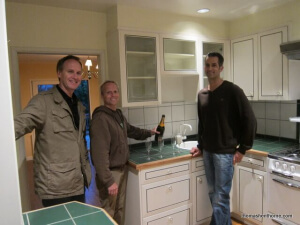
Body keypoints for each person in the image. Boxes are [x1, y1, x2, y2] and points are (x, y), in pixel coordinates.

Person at [14, 55, 92, 207]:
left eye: (78, 73)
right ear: (59, 73)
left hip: (78, 181)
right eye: (70, 72)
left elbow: (80, 142)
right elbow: (18, 125)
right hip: (55, 186)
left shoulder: (79, 106)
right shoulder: (43, 102)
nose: (75, 77)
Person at [190, 52, 256, 225]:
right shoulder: (202, 94)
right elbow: (202, 124)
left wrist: (242, 149)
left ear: (221, 68)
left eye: (214, 65)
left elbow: (250, 119)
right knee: (213, 194)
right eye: (207, 65)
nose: (210, 68)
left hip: (225, 154)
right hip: (208, 152)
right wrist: (201, 146)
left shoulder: (232, 91)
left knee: (221, 197)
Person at [90, 80, 157, 225]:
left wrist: (149, 132)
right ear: (102, 95)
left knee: (119, 209)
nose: (113, 95)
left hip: (122, 169)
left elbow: (131, 130)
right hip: (111, 173)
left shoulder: (118, 114)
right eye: (109, 92)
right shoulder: (101, 118)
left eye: (115, 91)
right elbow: (99, 154)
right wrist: (108, 181)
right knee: (108, 212)